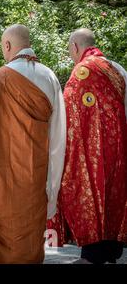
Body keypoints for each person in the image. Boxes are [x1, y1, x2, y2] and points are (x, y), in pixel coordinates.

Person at [0, 24, 66, 264]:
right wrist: (53, 186)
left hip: (2, 180)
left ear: (7, 46)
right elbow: (59, 137)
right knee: (30, 246)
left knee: (1, 247)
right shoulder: (49, 76)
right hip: (35, 179)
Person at [48, 28, 127, 264]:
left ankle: (92, 253)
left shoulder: (81, 72)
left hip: (90, 151)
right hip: (118, 149)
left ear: (75, 47)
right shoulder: (117, 69)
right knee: (114, 195)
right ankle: (112, 250)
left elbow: (67, 117)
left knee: (91, 195)